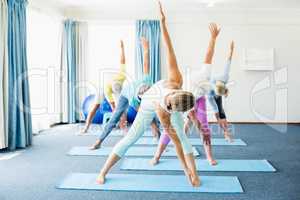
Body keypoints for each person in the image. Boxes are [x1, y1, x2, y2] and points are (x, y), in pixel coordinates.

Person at [96, 2, 200, 187]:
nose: (172, 111)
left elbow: (177, 142)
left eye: (176, 111)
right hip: (148, 104)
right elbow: (174, 141)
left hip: (164, 99)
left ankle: (196, 173)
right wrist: (163, 24)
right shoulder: (164, 106)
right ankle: (103, 172)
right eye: (172, 108)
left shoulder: (175, 91)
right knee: (130, 139)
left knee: (184, 138)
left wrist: (189, 172)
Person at [150, 23, 221, 166]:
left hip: (197, 98)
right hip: (184, 98)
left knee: (204, 126)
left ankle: (209, 156)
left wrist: (213, 38)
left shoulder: (205, 76)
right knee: (169, 129)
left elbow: (208, 56)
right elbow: (191, 116)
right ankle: (157, 155)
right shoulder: (181, 94)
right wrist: (192, 122)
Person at [89, 37, 160, 150]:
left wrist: (146, 48)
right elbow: (141, 115)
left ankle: (158, 139)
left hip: (137, 94)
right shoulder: (134, 99)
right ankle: (99, 141)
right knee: (115, 116)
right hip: (125, 95)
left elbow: (146, 62)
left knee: (151, 116)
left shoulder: (148, 80)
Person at [81, 40, 127, 133]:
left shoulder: (122, 76)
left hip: (113, 85)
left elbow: (122, 60)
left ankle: (124, 129)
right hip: (103, 87)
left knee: (121, 108)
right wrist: (114, 120)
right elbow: (113, 107)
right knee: (95, 106)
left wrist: (122, 48)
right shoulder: (107, 88)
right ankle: (86, 128)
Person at [208, 41, 235, 142]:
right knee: (217, 115)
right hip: (209, 96)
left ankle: (226, 134)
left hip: (217, 91)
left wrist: (231, 50)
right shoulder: (210, 88)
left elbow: (228, 61)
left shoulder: (225, 76)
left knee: (222, 113)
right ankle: (225, 132)